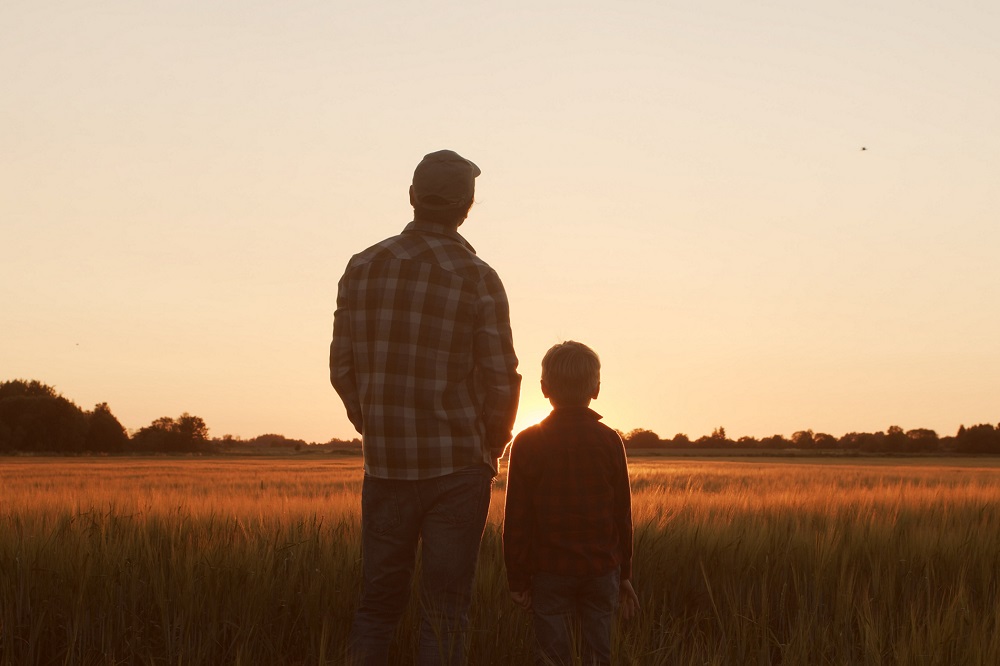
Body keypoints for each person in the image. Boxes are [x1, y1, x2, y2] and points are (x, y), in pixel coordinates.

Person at [330, 149, 521, 666]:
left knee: (376, 605)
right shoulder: (478, 276)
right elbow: (501, 375)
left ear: (413, 197)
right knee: (446, 610)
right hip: (458, 466)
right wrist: (494, 441)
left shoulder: (362, 266)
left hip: (386, 466)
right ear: (467, 207)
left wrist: (372, 424)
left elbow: (341, 368)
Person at [502, 341, 638, 666]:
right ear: (597, 388)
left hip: (549, 571)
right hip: (601, 571)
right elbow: (623, 515)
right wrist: (624, 575)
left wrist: (517, 580)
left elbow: (516, 520)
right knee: (598, 655)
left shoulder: (527, 442)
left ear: (544, 388)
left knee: (552, 656)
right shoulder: (609, 440)